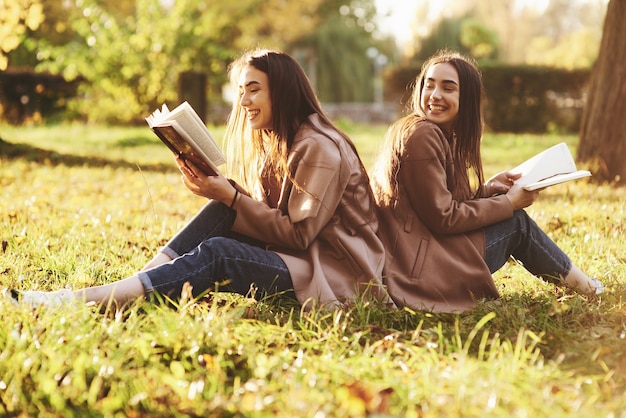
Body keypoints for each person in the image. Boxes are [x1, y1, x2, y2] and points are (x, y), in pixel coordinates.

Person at [11, 49, 389, 309]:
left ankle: (85, 299)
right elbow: (267, 215)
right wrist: (221, 192)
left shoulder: (320, 147)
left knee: (219, 253)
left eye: (254, 89)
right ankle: (130, 289)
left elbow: (298, 234)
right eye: (241, 91)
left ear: (284, 91)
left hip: (336, 274)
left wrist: (232, 196)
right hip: (300, 257)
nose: (244, 102)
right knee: (220, 211)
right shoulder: (282, 139)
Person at [370, 50, 604, 313]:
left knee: (513, 219)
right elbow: (444, 217)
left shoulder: (431, 133)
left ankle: (582, 283)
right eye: (430, 84)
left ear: (466, 99)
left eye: (448, 88)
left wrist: (487, 189)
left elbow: (436, 201)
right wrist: (508, 203)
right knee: (517, 224)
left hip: (418, 260)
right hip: (421, 271)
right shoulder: (422, 134)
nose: (435, 95)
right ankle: (588, 287)